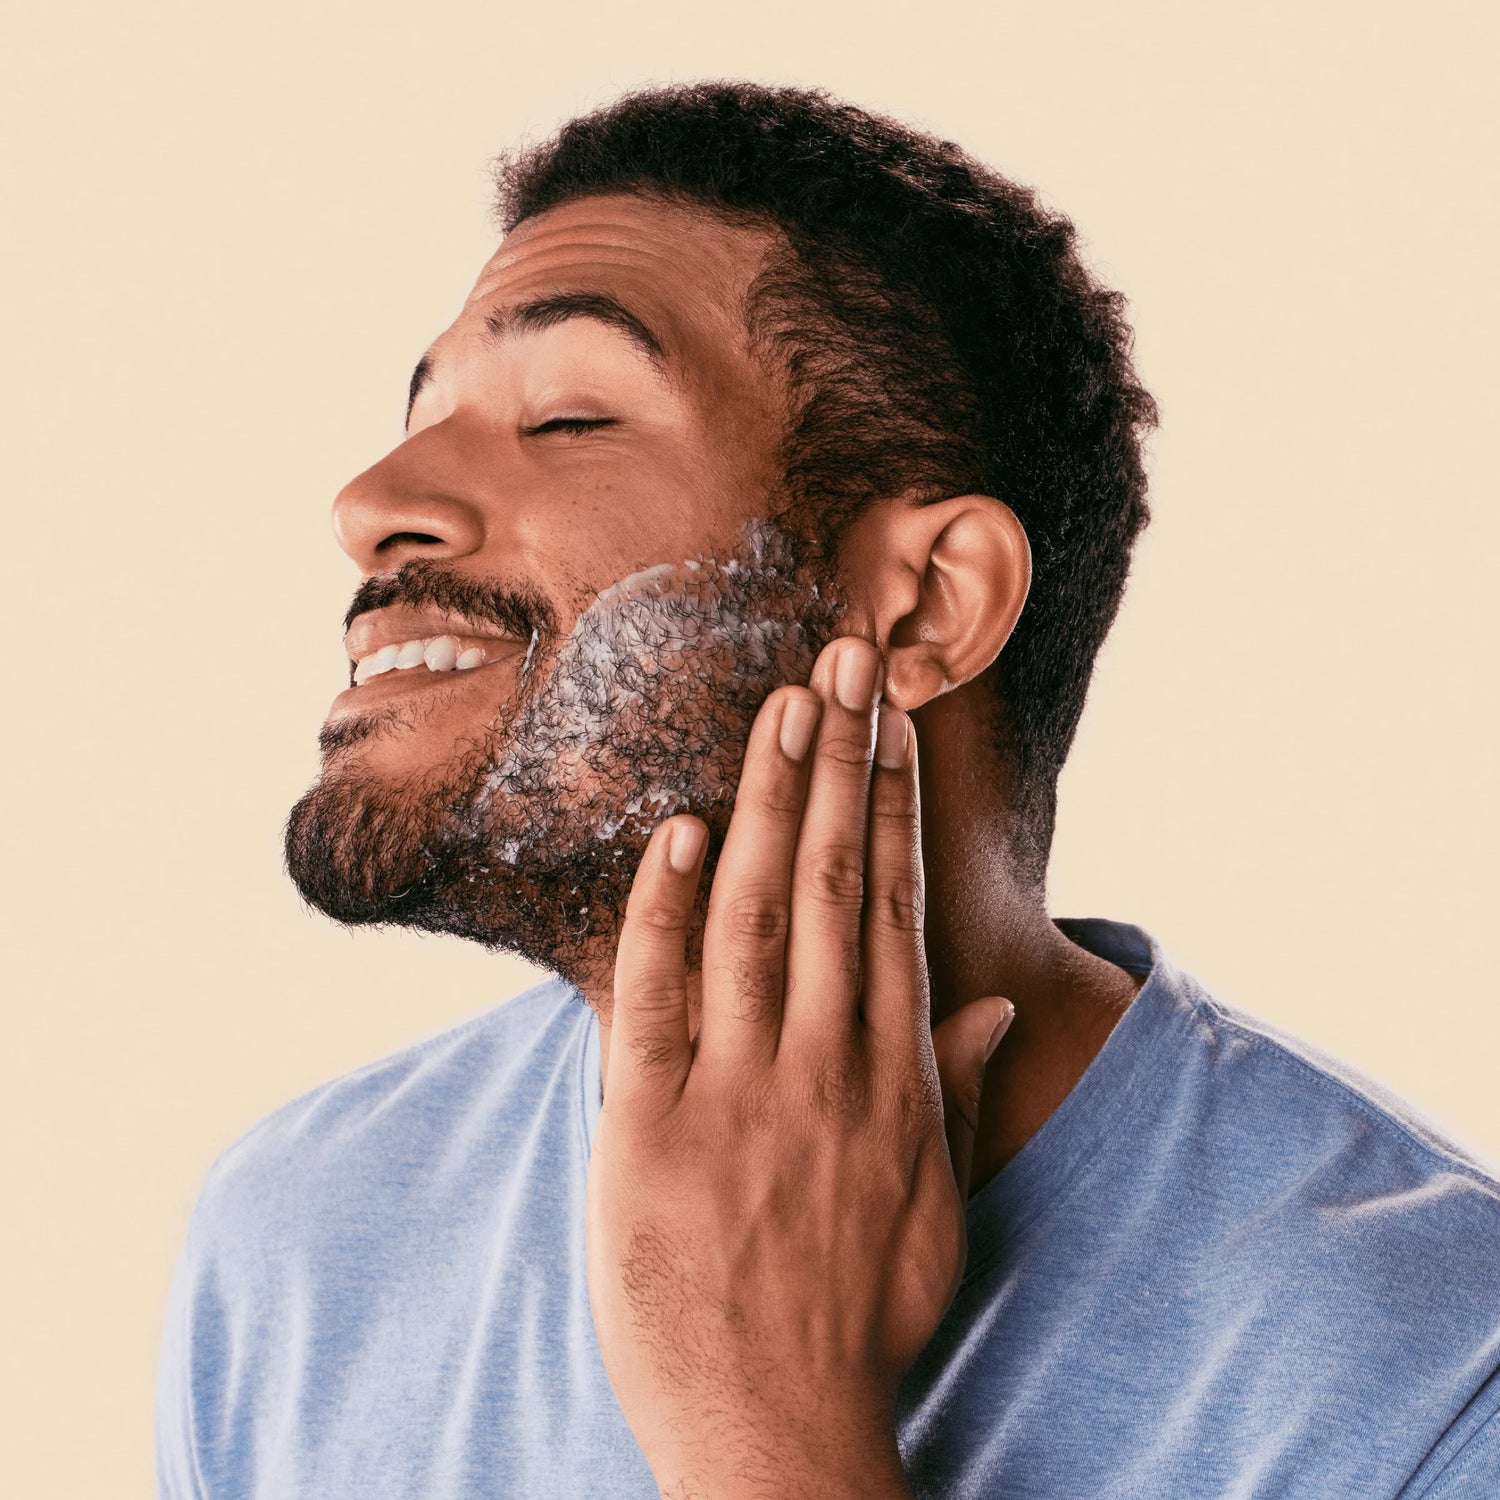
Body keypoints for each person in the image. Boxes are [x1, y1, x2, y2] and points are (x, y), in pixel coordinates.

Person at [155, 82, 1500, 1499]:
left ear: (921, 607)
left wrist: (768, 1425)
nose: (372, 498)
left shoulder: (1433, 1375)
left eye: (568, 417)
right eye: (418, 411)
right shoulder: (298, 1248)